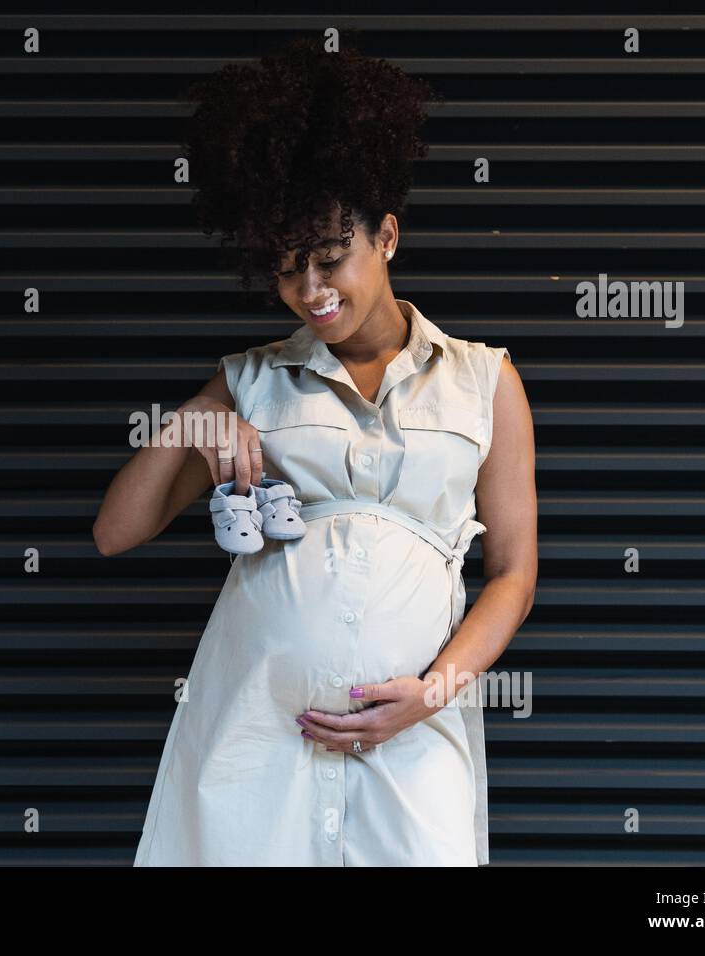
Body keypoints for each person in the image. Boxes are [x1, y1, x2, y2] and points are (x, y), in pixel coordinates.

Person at [93, 38, 537, 865]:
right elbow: (115, 531)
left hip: (413, 740)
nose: (312, 291)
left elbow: (514, 573)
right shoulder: (251, 380)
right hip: (255, 740)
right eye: (289, 269)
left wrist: (431, 693)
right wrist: (196, 418)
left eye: (332, 258)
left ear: (388, 237)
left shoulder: (485, 382)